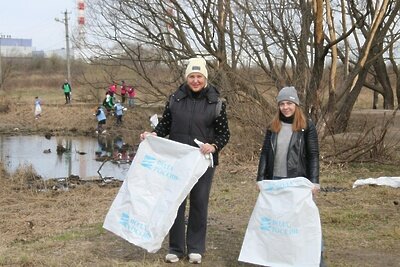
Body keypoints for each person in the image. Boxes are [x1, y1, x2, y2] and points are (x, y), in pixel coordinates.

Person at [140, 57, 230, 264]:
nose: (195, 80)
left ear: (205, 78)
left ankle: (196, 248)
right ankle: (176, 248)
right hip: (177, 161)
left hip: (203, 162)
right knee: (176, 202)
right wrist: (153, 135)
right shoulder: (175, 99)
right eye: (192, 76)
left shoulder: (216, 103)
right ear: (186, 77)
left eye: (199, 76)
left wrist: (214, 146)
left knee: (199, 203)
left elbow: (224, 134)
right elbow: (165, 127)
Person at [256, 86, 325, 266]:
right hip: (275, 181)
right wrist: (261, 177)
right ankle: (278, 258)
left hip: (298, 182)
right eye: (282, 104)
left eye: (289, 103)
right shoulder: (273, 126)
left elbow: (313, 155)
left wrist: (314, 182)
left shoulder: (306, 126)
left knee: (303, 222)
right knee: (277, 222)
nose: (285, 107)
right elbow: (264, 153)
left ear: (296, 104)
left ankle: (316, 259)